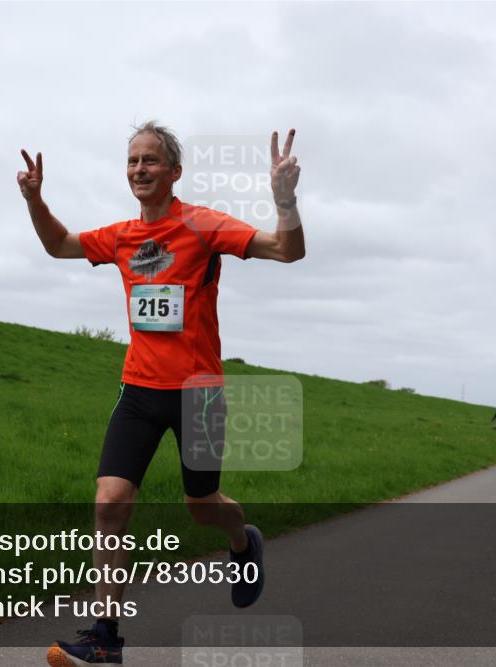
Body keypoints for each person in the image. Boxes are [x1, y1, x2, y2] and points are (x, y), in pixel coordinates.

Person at [18, 122, 305, 665]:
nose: (140, 169)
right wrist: (36, 198)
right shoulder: (122, 236)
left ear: (174, 172)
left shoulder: (203, 226)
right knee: (109, 502)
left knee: (201, 506)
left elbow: (287, 251)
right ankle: (105, 637)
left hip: (198, 395)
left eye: (151, 160)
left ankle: (243, 542)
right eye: (132, 161)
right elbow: (58, 245)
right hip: (139, 392)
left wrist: (284, 201)